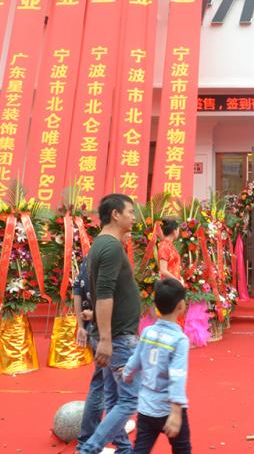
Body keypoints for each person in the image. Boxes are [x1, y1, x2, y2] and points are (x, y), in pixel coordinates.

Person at [77, 194, 140, 454]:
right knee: (129, 400)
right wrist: (105, 339)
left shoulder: (102, 244)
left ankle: (123, 449)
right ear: (115, 214)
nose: (134, 217)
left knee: (113, 398)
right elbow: (104, 294)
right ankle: (88, 449)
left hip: (113, 335)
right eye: (130, 212)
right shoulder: (111, 248)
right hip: (117, 337)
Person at [124, 279, 192, 454]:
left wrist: (126, 374)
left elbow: (135, 360)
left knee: (140, 449)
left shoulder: (147, 332)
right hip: (169, 409)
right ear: (181, 306)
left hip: (146, 407)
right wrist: (176, 412)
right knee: (182, 449)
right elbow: (177, 376)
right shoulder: (180, 340)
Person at [75, 256, 132, 452]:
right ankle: (90, 442)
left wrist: (81, 325)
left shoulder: (89, 259)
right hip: (108, 332)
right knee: (112, 392)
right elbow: (108, 300)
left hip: (96, 329)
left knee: (106, 388)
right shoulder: (109, 258)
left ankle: (107, 438)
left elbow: (77, 290)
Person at [158, 218, 182, 283]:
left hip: (173, 283)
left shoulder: (169, 245)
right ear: (174, 231)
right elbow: (163, 270)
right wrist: (178, 281)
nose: (178, 233)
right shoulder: (164, 246)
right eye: (178, 231)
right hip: (168, 285)